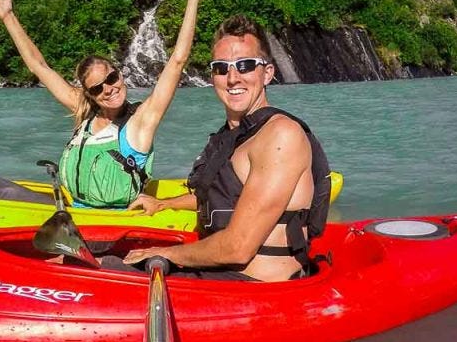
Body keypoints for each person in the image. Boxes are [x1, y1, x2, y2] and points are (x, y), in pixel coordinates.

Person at [0, 0, 223, 208]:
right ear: (89, 94)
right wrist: (7, 17)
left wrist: (192, 0)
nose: (109, 89)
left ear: (120, 74)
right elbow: (39, 66)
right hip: (72, 215)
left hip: (106, 227)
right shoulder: (85, 114)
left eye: (112, 78)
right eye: (98, 88)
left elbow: (177, 61)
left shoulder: (141, 121)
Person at [119, 15, 331, 281]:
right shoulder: (231, 135)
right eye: (221, 68)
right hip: (220, 274)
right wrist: (163, 204)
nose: (232, 78)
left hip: (255, 289)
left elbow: (237, 248)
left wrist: (169, 252)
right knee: (96, 257)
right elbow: (223, 197)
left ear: (267, 73)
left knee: (108, 273)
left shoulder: (280, 136)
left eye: (245, 65)